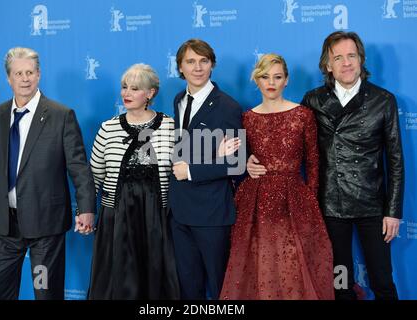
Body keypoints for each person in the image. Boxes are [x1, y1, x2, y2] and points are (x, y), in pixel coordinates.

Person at [249, 31, 405, 300]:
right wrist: (252, 160)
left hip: (372, 206)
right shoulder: (314, 100)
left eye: (352, 56)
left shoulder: (383, 100)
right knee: (339, 280)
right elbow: (293, 146)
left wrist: (393, 211)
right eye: (338, 58)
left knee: (382, 279)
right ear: (327, 65)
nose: (346, 63)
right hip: (330, 207)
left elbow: (395, 160)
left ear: (361, 60)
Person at [0, 47, 96, 300]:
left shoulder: (61, 115)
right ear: (8, 78)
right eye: (18, 73)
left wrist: (86, 208)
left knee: (45, 292)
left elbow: (78, 166)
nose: (25, 78)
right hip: (4, 227)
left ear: (39, 75)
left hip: (45, 227)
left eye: (30, 72)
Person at [220, 54, 334, 300]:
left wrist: (310, 201)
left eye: (277, 76)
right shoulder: (247, 118)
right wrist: (245, 164)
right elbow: (238, 158)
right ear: (256, 81)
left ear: (286, 80)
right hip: (254, 201)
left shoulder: (303, 115)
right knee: (258, 265)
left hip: (294, 200)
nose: (271, 82)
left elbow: (314, 162)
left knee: (292, 266)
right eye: (264, 76)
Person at [87, 63, 180, 299]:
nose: (126, 93)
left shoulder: (171, 126)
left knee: (155, 281)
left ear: (150, 93)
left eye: (135, 88)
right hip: (115, 218)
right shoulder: (108, 129)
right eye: (124, 87)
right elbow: (95, 175)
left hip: (157, 219)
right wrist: (85, 210)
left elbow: (180, 171)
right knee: (117, 281)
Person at [168, 39, 243, 300]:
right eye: (190, 61)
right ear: (180, 67)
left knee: (220, 285)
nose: (197, 67)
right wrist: (212, 154)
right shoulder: (178, 100)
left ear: (212, 65)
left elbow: (237, 163)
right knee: (189, 287)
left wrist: (191, 170)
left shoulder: (228, 106)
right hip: (180, 212)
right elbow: (184, 148)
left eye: (203, 61)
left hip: (212, 214)